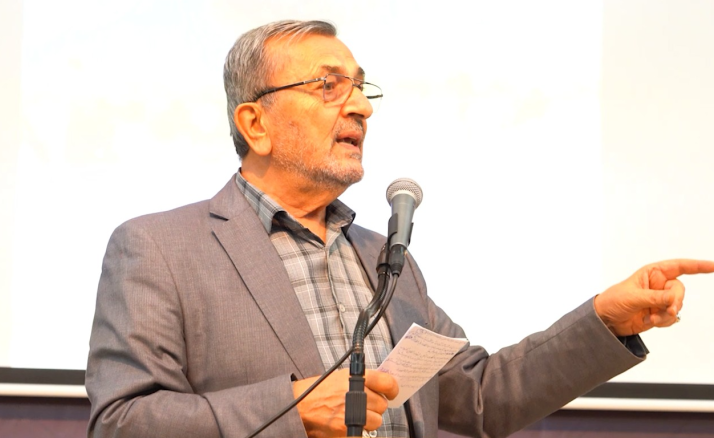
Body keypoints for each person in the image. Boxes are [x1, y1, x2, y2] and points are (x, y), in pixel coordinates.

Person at [85, 19, 714, 438]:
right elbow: (121, 422)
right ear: (256, 124)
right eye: (329, 87)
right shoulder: (160, 249)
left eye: (362, 89)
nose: (360, 106)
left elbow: (482, 397)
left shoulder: (385, 258)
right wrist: (292, 411)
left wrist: (605, 320)